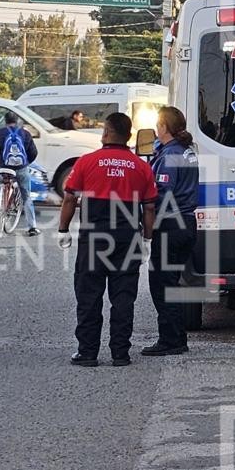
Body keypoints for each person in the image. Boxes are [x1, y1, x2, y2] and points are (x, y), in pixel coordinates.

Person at [58, 112, 157, 368]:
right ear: (129, 136)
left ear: (105, 132)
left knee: (89, 295)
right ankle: (120, 353)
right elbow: (148, 208)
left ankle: (88, 352)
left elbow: (69, 198)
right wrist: (147, 239)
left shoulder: (86, 162)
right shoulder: (141, 167)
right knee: (123, 296)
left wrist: (63, 229)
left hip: (94, 236)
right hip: (127, 238)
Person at [142, 107, 200, 357]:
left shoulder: (169, 156)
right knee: (171, 281)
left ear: (164, 126)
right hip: (187, 223)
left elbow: (162, 195)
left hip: (171, 226)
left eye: (158, 123)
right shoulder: (186, 152)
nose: (156, 127)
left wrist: (147, 223)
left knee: (162, 284)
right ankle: (176, 337)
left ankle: (172, 340)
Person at [0, 111, 41, 237]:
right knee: (26, 197)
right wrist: (25, 163)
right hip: (21, 168)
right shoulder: (25, 133)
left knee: (0, 180)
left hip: (4, 167)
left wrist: (0, 163)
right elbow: (33, 153)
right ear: (17, 121)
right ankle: (32, 227)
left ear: (5, 121)